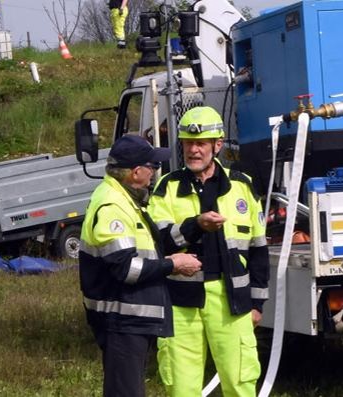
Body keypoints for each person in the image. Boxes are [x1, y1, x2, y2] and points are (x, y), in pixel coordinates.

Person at [149, 106, 269, 397]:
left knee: (240, 383)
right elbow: (158, 243)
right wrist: (195, 226)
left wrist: (257, 304)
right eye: (188, 143)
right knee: (181, 386)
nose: (194, 150)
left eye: (201, 143)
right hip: (180, 303)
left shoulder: (242, 186)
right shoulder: (167, 187)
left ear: (217, 145)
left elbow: (258, 250)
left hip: (231, 301)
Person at [80, 135, 202, 397]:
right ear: (136, 172)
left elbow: (155, 244)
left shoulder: (124, 198)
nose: (155, 173)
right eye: (153, 167)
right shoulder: (112, 205)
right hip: (121, 320)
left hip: (129, 319)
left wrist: (196, 226)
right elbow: (126, 269)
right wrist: (173, 265)